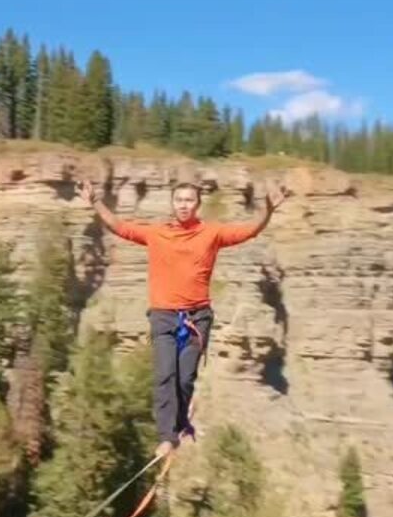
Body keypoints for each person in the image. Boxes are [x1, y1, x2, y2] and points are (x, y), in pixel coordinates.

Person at [78, 179, 288, 458]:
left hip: (196, 318)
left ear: (197, 204)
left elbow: (249, 231)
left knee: (185, 377)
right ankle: (167, 436)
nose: (184, 205)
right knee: (166, 374)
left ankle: (180, 425)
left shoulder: (211, 233)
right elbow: (120, 226)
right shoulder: (157, 233)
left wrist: (268, 210)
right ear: (173, 203)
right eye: (179, 200)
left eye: (189, 200)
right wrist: (95, 201)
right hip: (163, 316)